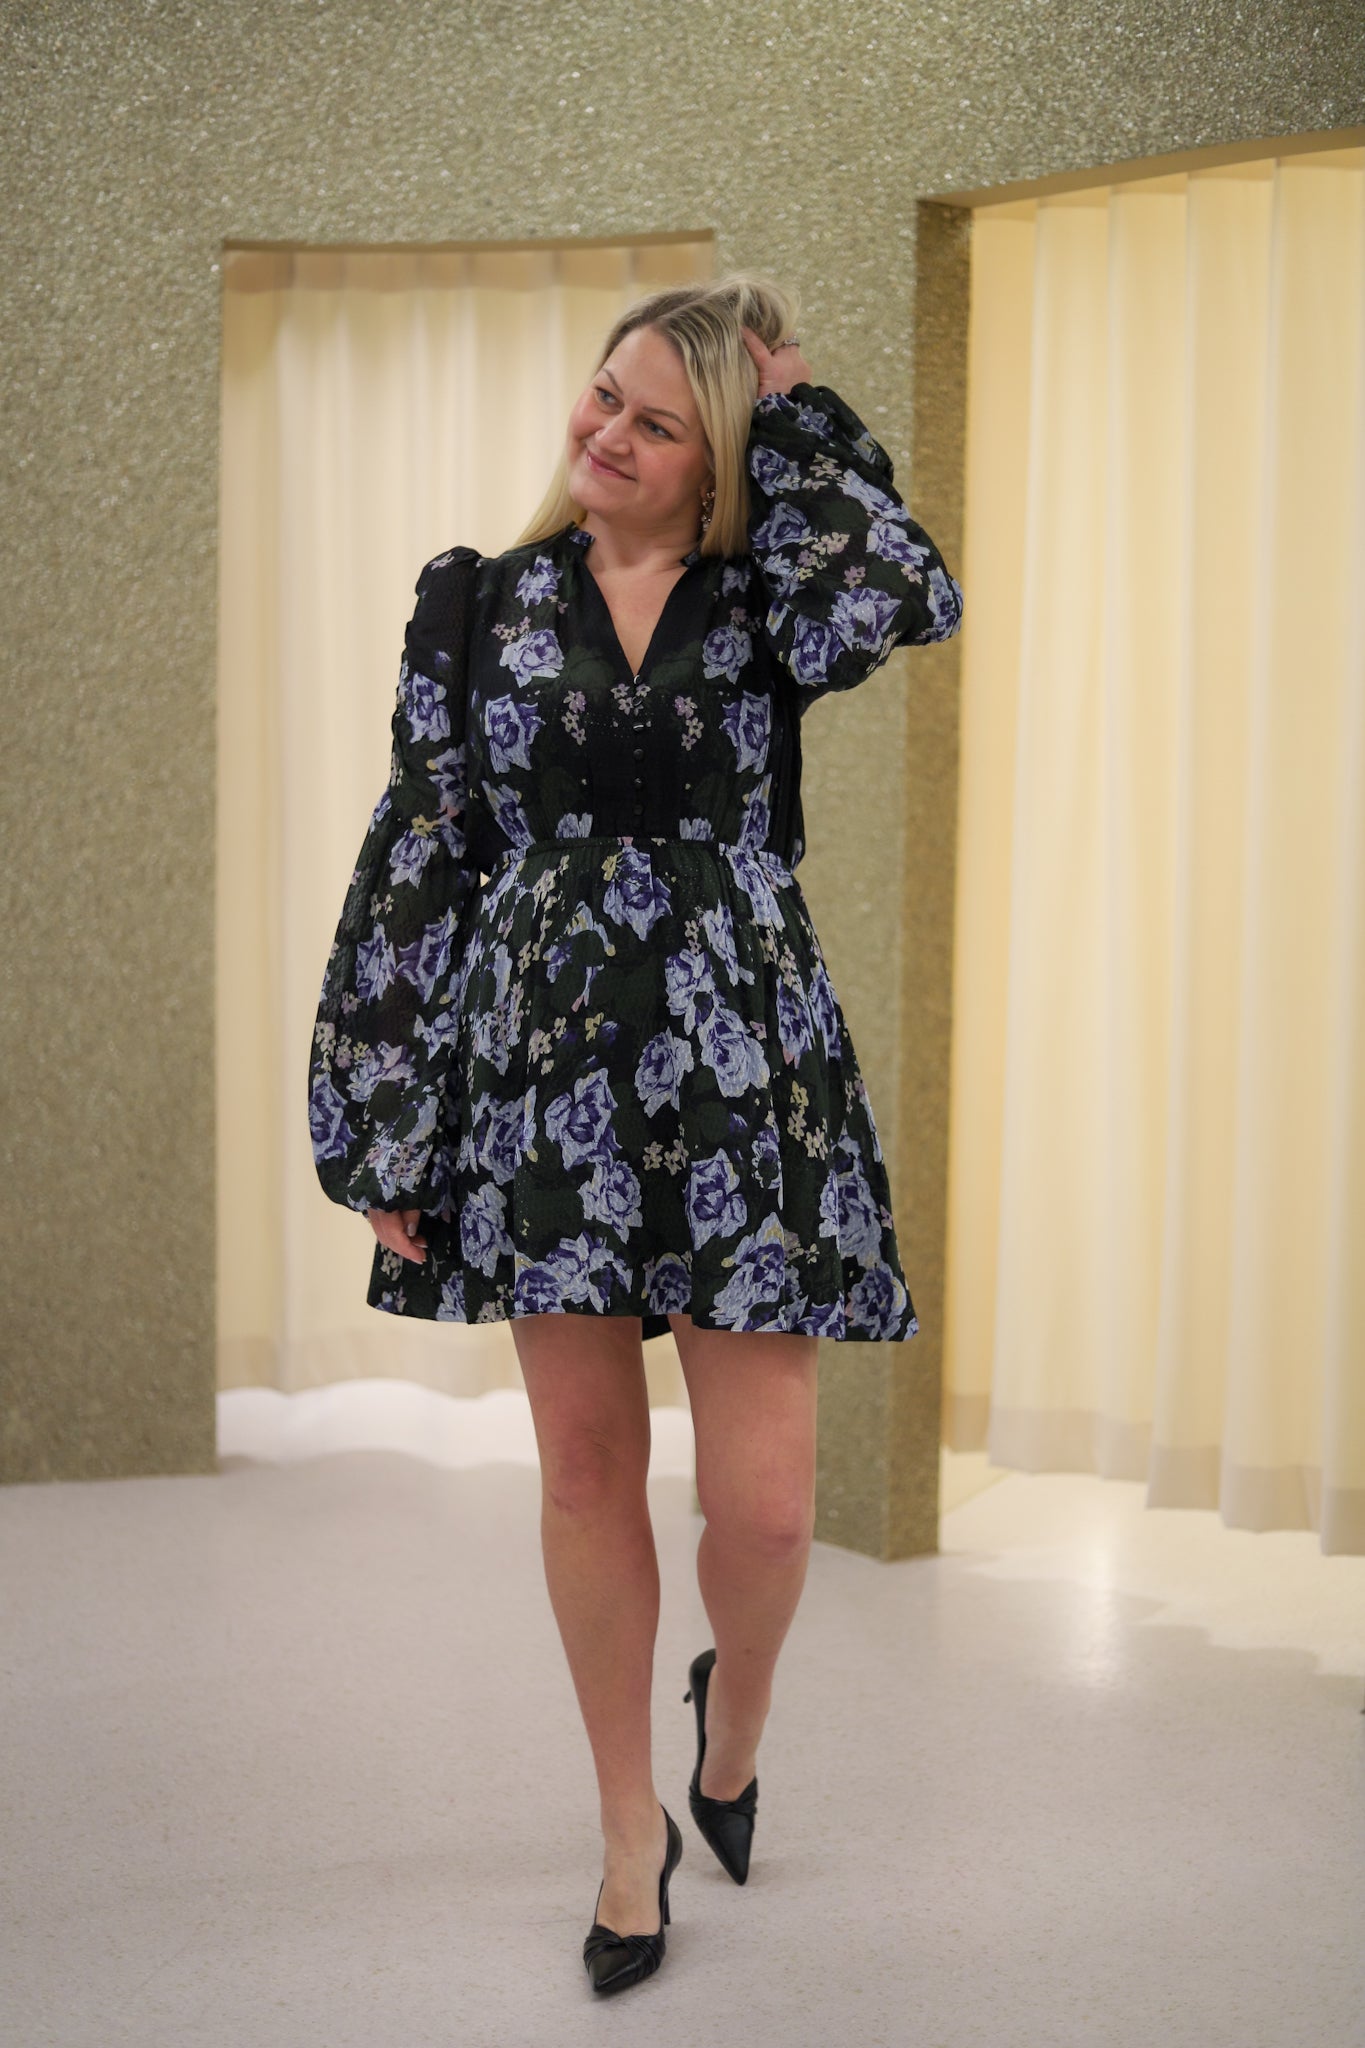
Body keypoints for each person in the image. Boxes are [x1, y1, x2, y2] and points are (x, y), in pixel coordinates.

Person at [307, 275, 964, 1994]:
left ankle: (730, 1723)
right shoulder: (476, 601)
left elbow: (909, 588)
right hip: (542, 1071)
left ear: (718, 460)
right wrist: (382, 1119)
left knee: (765, 1512)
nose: (605, 434)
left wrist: (797, 418)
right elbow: (420, 851)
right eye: (603, 394)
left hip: (743, 1069)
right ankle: (625, 1833)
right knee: (587, 1472)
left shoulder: (772, 600)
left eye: (657, 422)